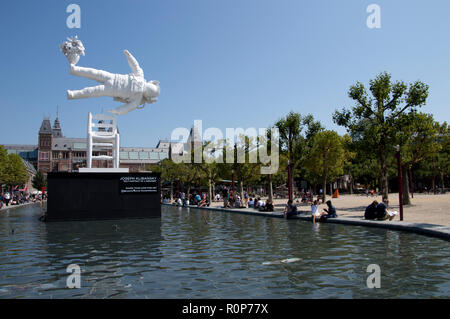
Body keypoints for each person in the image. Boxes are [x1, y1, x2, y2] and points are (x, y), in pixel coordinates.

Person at [67, 50, 160, 115]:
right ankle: (74, 75)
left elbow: (127, 108)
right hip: (113, 80)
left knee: (93, 86)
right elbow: (135, 65)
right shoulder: (139, 81)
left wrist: (117, 111)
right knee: (93, 82)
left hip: (112, 86)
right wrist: (129, 56)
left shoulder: (137, 97)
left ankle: (73, 91)